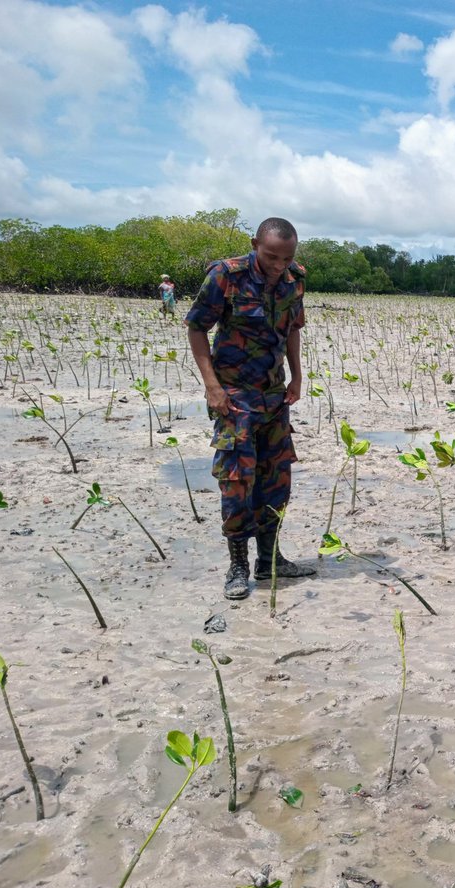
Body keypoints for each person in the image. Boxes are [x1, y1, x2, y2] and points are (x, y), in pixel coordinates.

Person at [185, 217, 316, 600]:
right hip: (234, 395)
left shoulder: (295, 279)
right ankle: (238, 566)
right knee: (237, 481)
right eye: (272, 256)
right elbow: (196, 328)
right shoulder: (226, 275)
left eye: (286, 258)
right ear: (255, 243)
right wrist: (212, 387)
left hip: (274, 395)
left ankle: (270, 559)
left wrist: (296, 377)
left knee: (277, 478)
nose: (279, 265)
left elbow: (293, 329)